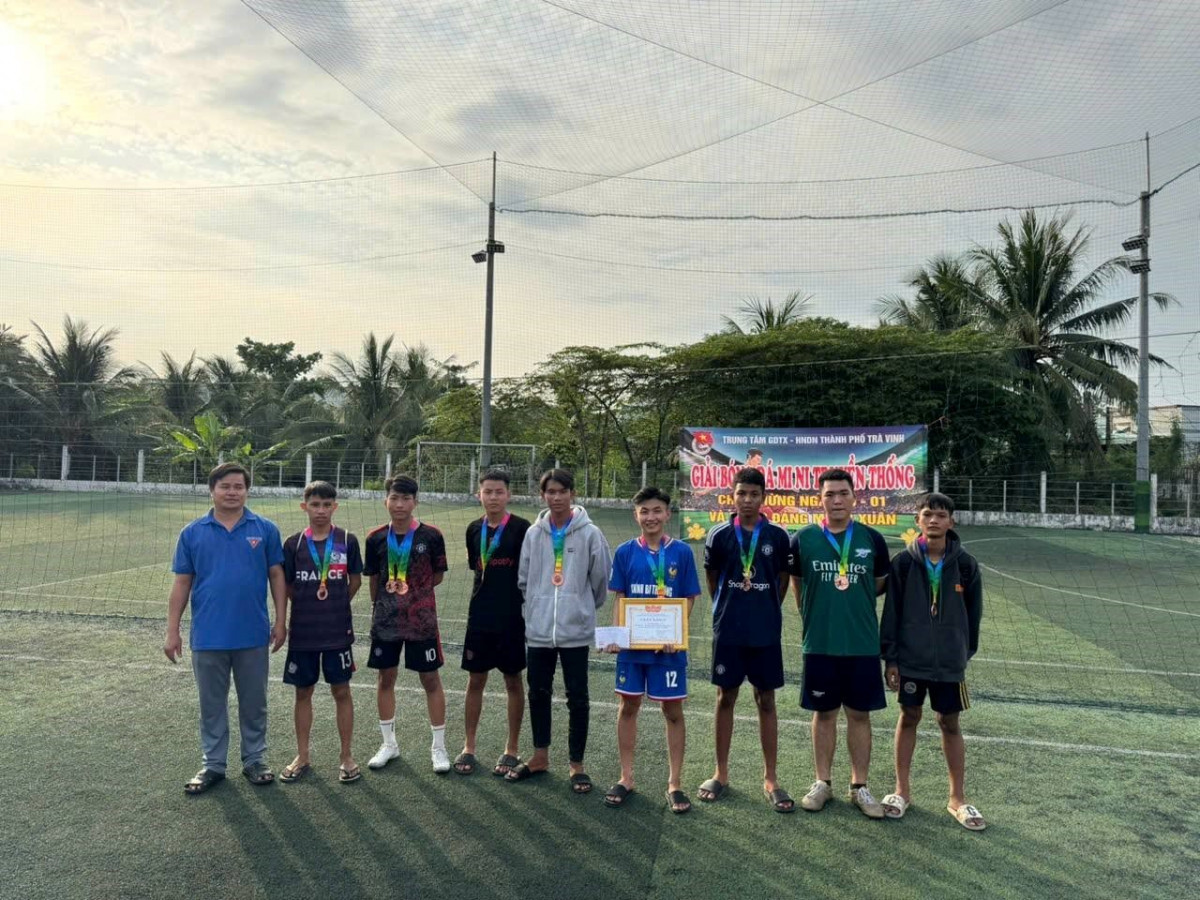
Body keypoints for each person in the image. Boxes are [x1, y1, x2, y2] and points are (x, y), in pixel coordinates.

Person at [164, 461, 287, 794]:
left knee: (254, 702)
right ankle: (213, 764)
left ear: (247, 491)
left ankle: (255, 760)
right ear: (212, 490)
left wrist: (280, 620)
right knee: (211, 705)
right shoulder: (192, 533)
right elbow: (182, 583)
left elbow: (277, 576)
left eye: (238, 487)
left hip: (252, 634)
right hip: (208, 635)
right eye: (225, 486)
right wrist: (172, 630)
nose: (232, 492)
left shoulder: (265, 529)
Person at [788, 467, 891, 818]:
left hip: (862, 643)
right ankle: (823, 783)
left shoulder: (872, 539)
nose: (836, 500)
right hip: (820, 642)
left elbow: (878, 585)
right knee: (824, 713)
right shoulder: (802, 539)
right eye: (829, 494)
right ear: (820, 499)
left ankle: (859, 786)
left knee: (859, 714)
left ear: (854, 497)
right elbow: (798, 587)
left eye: (843, 493)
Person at [880, 492, 985, 830]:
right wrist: (891, 658)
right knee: (909, 716)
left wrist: (961, 653)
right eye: (927, 514)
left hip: (949, 663)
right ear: (918, 521)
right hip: (911, 660)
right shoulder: (904, 563)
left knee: (949, 722)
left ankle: (957, 798)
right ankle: (901, 791)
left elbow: (974, 615)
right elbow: (892, 612)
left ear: (951, 521)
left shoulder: (966, 565)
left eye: (941, 515)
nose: (934, 520)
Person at [506, 468, 612, 794]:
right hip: (539, 630)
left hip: (575, 631)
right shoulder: (534, 533)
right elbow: (524, 579)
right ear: (543, 495)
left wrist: (579, 607)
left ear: (572, 494)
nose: (556, 497)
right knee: (538, 693)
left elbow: (600, 581)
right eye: (550, 492)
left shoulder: (590, 533)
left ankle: (576, 764)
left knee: (577, 697)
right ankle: (540, 756)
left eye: (562, 491)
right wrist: (537, 609)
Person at [698, 467, 794, 813]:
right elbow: (713, 580)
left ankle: (771, 779)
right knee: (725, 697)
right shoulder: (719, 534)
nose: (748, 500)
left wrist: (765, 609)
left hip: (765, 631)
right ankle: (720, 773)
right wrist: (729, 609)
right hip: (729, 631)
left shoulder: (779, 536)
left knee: (766, 700)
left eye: (754, 494)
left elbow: (782, 580)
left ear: (763, 497)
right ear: (733, 495)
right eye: (742, 493)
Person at [602, 487, 701, 814]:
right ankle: (626, 777)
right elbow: (620, 598)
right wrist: (616, 635)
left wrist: (676, 632)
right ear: (636, 515)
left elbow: (689, 597)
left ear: (668, 514)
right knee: (628, 706)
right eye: (644, 511)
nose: (651, 517)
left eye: (657, 510)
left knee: (672, 711)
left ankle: (675, 783)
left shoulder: (682, 552)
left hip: (668, 650)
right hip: (633, 649)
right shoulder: (625, 552)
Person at [362, 474, 451, 774]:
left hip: (421, 622)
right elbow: (374, 579)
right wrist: (381, 609)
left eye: (406, 498)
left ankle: (438, 747)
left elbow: (437, 576)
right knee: (385, 679)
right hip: (386, 622)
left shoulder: (431, 536)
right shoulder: (375, 538)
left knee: (430, 680)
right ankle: (389, 744)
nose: (399, 504)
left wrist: (415, 597)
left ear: (415, 501)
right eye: (394, 498)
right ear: (385, 501)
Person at [278, 481, 364, 785]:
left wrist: (336, 604)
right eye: (315, 505)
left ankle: (346, 757)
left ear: (335, 507)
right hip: (303, 634)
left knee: (342, 691)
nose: (321, 511)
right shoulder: (293, 544)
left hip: (337, 632)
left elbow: (355, 581)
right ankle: (302, 756)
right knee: (303, 693)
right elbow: (287, 585)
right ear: (305, 507)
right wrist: (305, 603)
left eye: (327, 505)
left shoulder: (347, 540)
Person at [455, 469, 532, 777]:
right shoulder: (473, 529)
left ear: (508, 495)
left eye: (499, 491)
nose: (493, 497)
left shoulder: (523, 529)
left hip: (512, 618)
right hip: (479, 617)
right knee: (475, 680)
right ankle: (469, 746)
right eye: (488, 491)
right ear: (479, 495)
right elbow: (477, 567)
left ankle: (511, 748)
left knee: (513, 680)